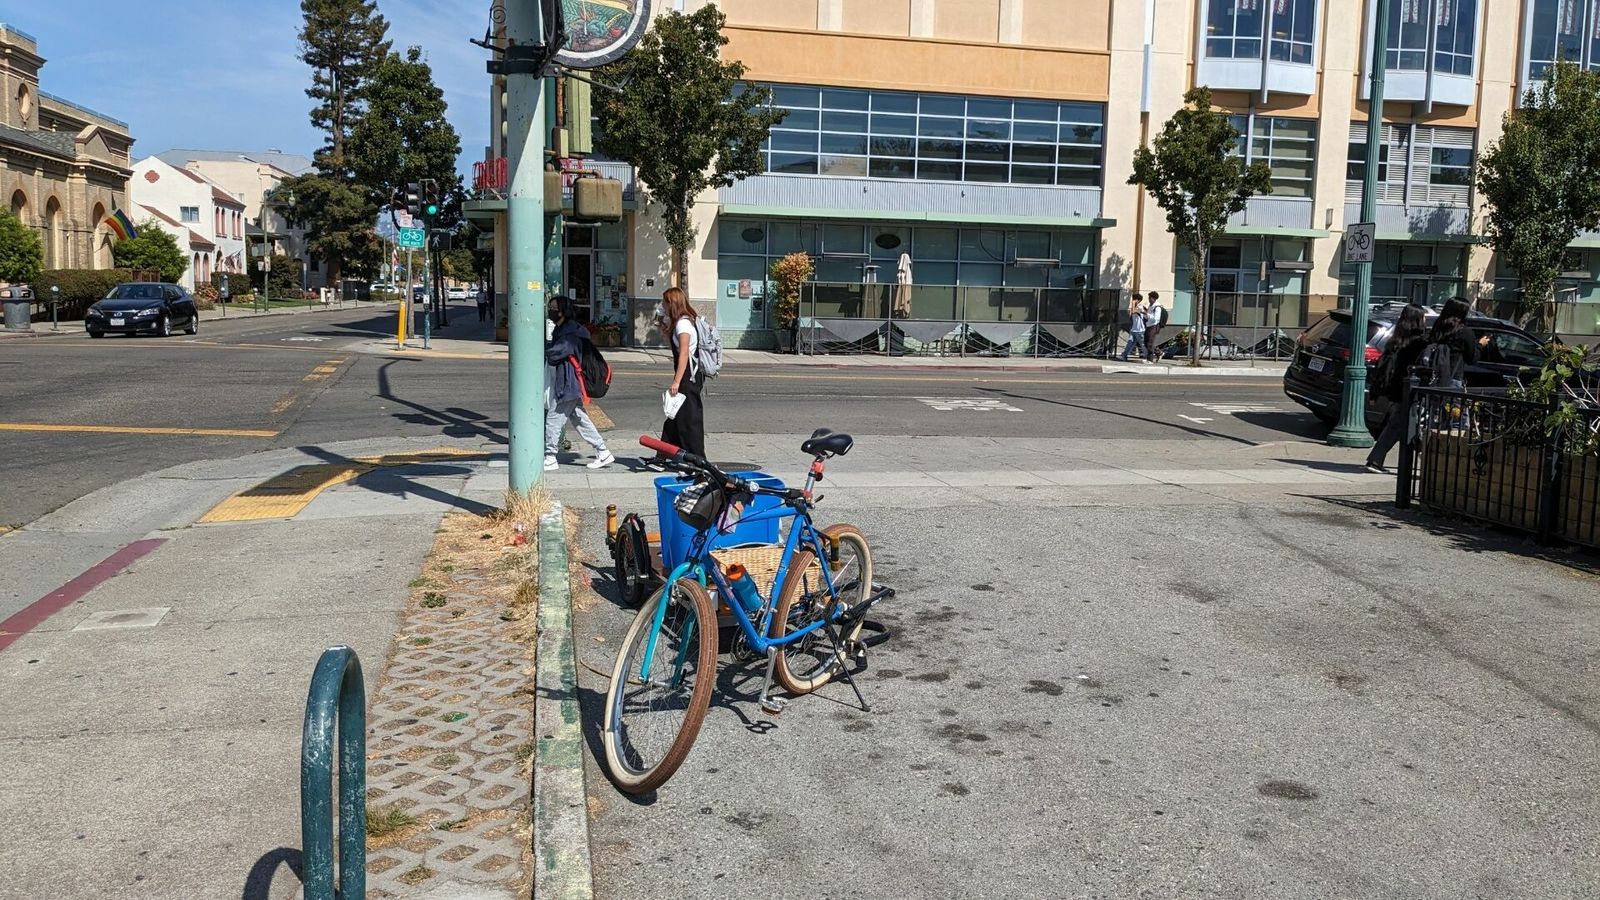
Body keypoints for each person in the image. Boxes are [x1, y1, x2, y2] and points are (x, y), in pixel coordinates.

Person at [544, 296, 613, 470]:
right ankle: (603, 451)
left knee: (553, 419)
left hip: (568, 384)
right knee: (580, 419)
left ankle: (550, 457)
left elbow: (556, 354)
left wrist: (542, 350)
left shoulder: (569, 334)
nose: (550, 310)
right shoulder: (565, 329)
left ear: (562, 312)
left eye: (553, 308)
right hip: (570, 383)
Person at [1364, 303, 1429, 473]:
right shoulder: (1418, 344)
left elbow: (1382, 369)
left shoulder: (1396, 341)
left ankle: (1424, 462)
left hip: (1395, 391)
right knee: (1397, 426)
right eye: (1423, 317)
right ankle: (1375, 460)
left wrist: (1375, 393)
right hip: (1409, 391)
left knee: (1410, 426)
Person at [648, 286, 707, 467]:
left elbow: (684, 354)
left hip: (689, 377)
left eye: (664, 302)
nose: (663, 306)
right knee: (674, 419)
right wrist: (666, 331)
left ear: (672, 303)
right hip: (687, 376)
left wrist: (676, 381)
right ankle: (663, 456)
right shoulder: (681, 323)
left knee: (689, 420)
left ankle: (698, 461)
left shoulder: (683, 324)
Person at [1420, 297, 1481, 390]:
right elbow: (1471, 358)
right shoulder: (1465, 332)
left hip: (1432, 374)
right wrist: (1480, 345)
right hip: (1453, 376)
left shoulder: (1438, 326)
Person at [1119, 293, 1147, 362]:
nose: (1133, 300)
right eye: (1133, 299)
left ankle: (1148, 356)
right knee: (1130, 343)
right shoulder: (1136, 306)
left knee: (1142, 344)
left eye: (1135, 299)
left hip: (1140, 330)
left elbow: (1133, 311)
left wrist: (1133, 303)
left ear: (1139, 300)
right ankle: (1124, 355)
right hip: (1133, 330)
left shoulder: (1140, 306)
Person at [1143, 291, 1165, 362]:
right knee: (1146, 342)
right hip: (1148, 325)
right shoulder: (1150, 306)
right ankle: (1159, 353)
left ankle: (1150, 360)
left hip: (1154, 326)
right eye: (1149, 298)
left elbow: (1156, 318)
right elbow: (1148, 316)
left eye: (1150, 298)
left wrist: (1147, 314)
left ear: (1154, 299)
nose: (1149, 299)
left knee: (1150, 343)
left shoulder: (1157, 307)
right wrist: (1144, 313)